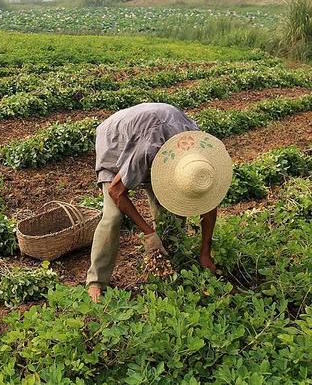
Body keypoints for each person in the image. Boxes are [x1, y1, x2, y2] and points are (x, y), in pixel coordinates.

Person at [87, 102, 233, 303]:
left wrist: (205, 252)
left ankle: (168, 256)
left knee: (170, 210)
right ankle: (96, 281)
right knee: (113, 216)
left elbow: (209, 208)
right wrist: (148, 233)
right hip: (116, 140)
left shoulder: (200, 161)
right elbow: (116, 191)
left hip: (156, 132)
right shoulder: (148, 149)